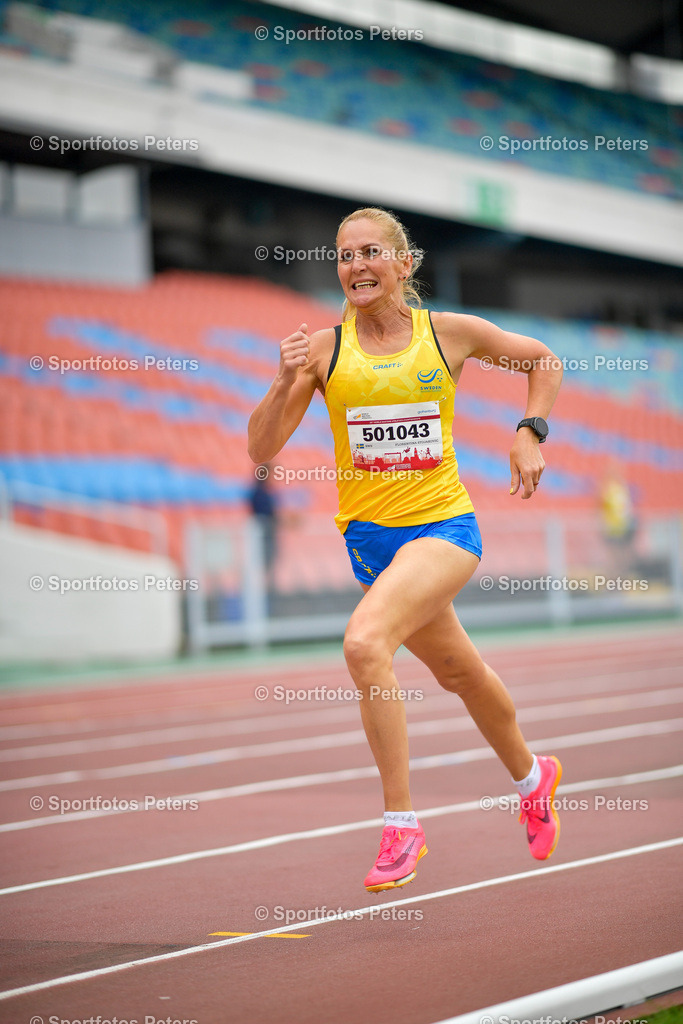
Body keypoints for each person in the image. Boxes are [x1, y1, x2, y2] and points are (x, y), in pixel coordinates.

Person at [248, 207, 564, 892]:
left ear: (403, 263)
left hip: (443, 529)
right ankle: (532, 776)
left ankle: (401, 825)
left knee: (365, 644)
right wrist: (281, 380)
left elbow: (543, 361)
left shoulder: (447, 334)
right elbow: (261, 448)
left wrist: (528, 431)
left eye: (370, 252)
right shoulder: (324, 351)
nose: (356, 266)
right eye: (344, 255)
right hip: (371, 547)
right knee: (459, 673)